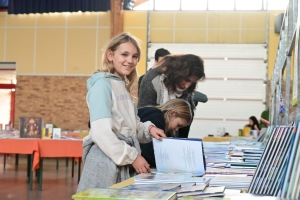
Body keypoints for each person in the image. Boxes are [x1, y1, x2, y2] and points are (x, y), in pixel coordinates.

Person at [77, 32, 166, 193]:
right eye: (124, 54)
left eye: (135, 56)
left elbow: (130, 126)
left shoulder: (122, 86)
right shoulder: (102, 85)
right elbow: (101, 132)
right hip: (106, 160)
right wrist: (133, 157)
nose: (130, 60)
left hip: (121, 158)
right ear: (110, 55)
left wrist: (149, 129)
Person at [137, 54, 206, 138]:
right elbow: (144, 115)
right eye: (187, 80)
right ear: (179, 72)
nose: (187, 85)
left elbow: (183, 125)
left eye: (192, 82)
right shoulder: (152, 79)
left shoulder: (186, 90)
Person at [138, 99, 192, 167]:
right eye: (178, 125)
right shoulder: (156, 117)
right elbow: (150, 154)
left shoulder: (165, 125)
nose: (176, 129)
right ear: (172, 113)